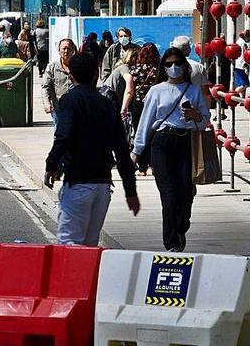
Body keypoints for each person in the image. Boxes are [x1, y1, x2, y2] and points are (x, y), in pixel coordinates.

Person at [44, 53, 140, 244]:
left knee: (69, 244)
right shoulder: (107, 104)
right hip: (103, 186)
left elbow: (62, 136)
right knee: (90, 245)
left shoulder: (69, 101)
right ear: (96, 74)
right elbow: (121, 150)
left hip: (78, 181)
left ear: (71, 76)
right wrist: (130, 191)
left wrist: (51, 165)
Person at [132, 48, 210, 253]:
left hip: (185, 143)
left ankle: (181, 225)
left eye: (176, 63)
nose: (173, 68)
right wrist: (136, 150)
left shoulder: (193, 91)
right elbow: (146, 122)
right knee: (168, 195)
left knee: (185, 192)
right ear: (163, 67)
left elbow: (205, 121)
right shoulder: (156, 91)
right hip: (162, 142)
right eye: (168, 64)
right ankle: (171, 243)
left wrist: (196, 115)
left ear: (184, 65)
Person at [120, 43, 161, 174]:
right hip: (155, 104)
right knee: (154, 134)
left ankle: (142, 167)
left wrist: (124, 108)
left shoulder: (134, 70)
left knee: (140, 133)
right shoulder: (159, 70)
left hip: (138, 104)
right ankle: (155, 165)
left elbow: (129, 90)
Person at [42, 38, 77, 124]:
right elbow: (45, 86)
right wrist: (46, 103)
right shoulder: (52, 67)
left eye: (69, 49)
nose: (66, 51)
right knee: (59, 135)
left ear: (73, 50)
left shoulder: (78, 66)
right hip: (59, 108)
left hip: (77, 108)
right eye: (64, 48)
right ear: (59, 50)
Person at [234, 29, 250, 94]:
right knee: (245, 84)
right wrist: (245, 64)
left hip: (237, 65)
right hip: (241, 66)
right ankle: (233, 94)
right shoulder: (243, 44)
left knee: (240, 85)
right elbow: (244, 55)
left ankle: (240, 101)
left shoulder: (238, 41)